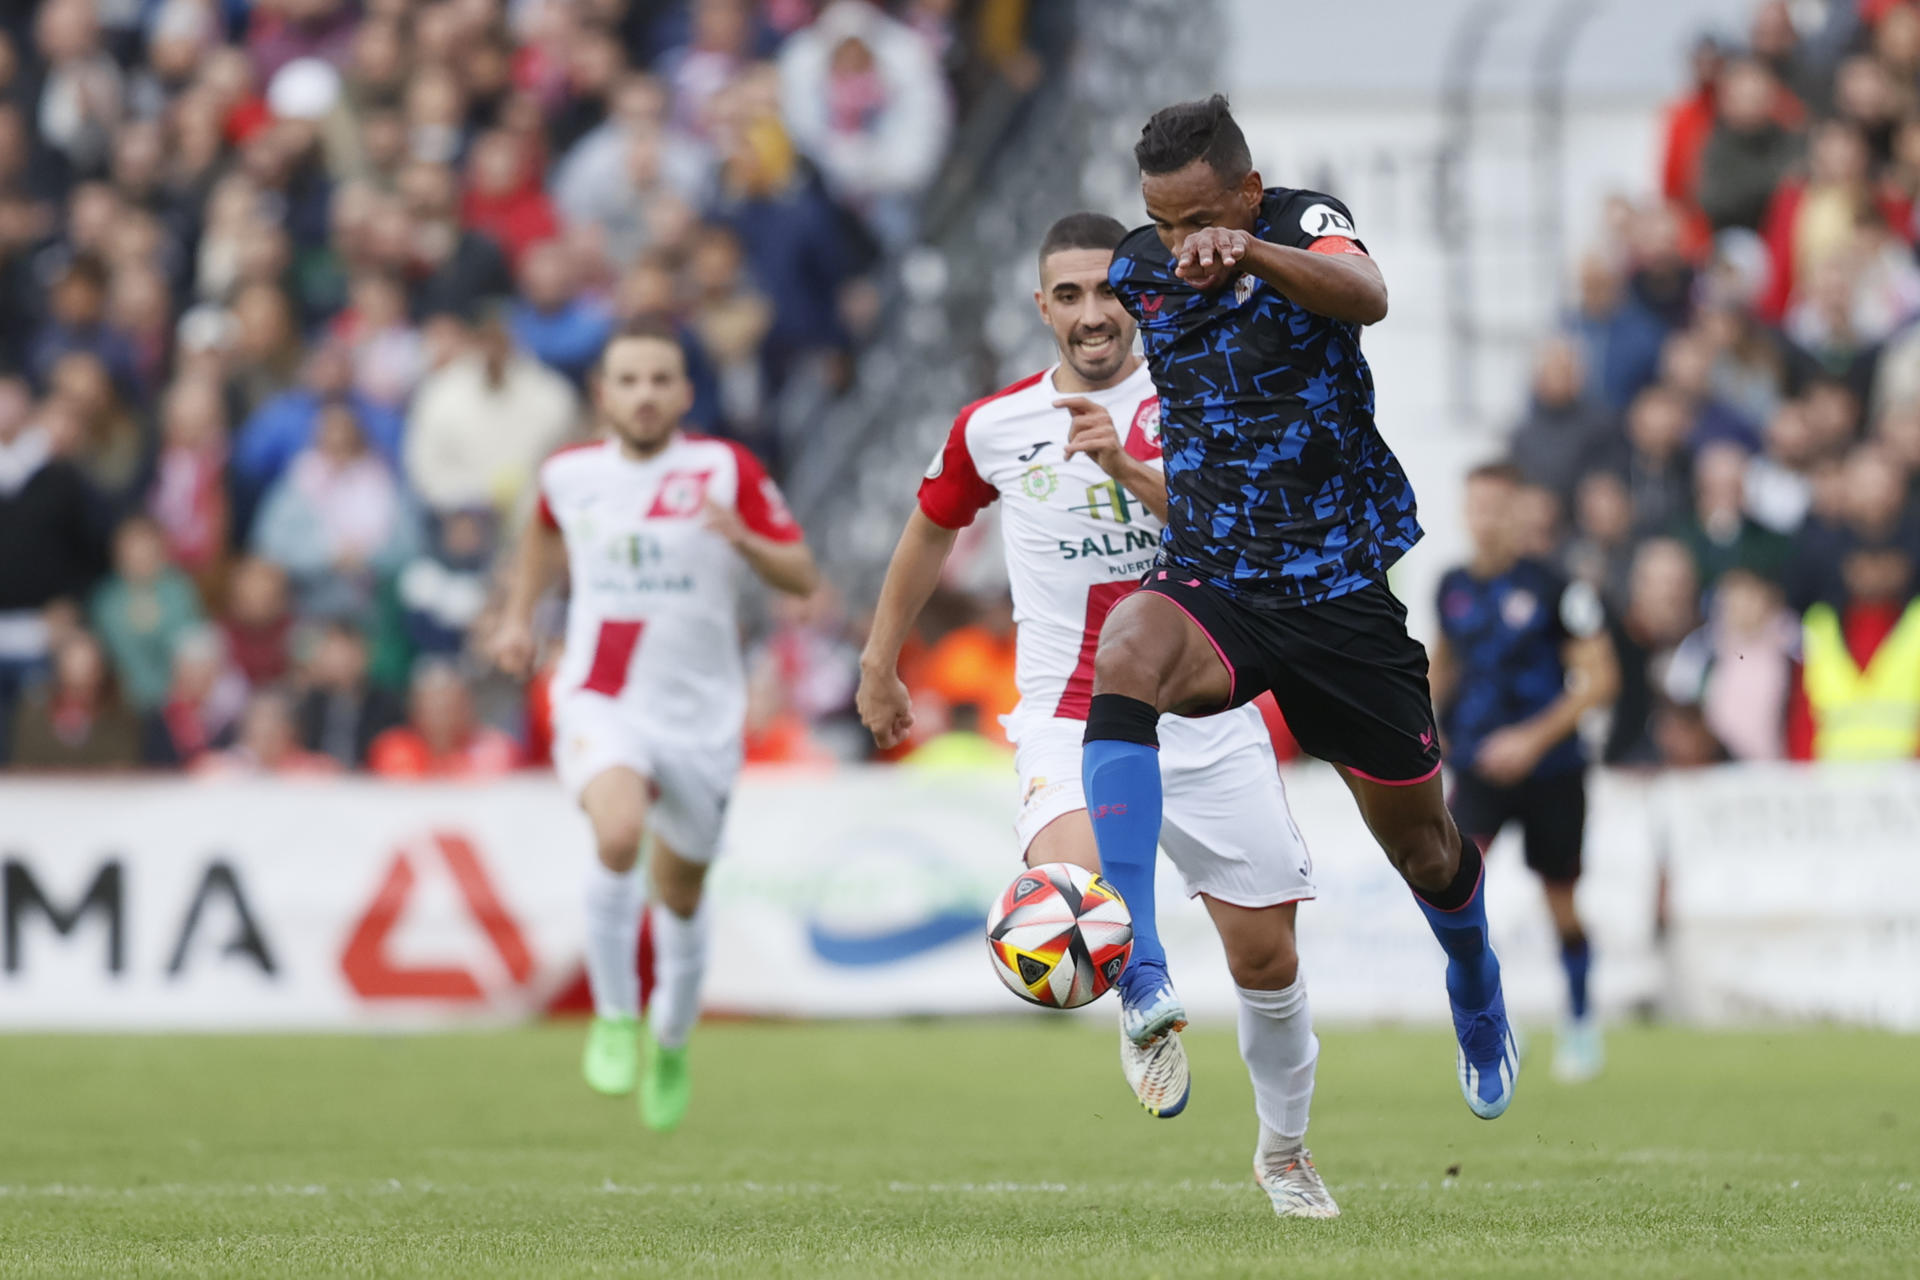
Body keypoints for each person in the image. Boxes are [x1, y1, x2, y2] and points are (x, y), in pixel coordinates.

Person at [857, 213, 1338, 1218]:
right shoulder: (994, 425)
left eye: (1108, 292)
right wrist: (879, 657)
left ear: (1142, 297)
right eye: (1067, 295)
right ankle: (1143, 987)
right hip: (1067, 714)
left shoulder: (1200, 396)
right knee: (1076, 894)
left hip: (1206, 703)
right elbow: (928, 528)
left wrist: (1121, 465)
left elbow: (1243, 527)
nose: (1089, 314)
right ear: (1042, 307)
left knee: (1268, 958)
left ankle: (1285, 1150)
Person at [1085, 95, 1519, 1121]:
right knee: (1127, 650)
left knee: (1425, 846)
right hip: (1214, 579)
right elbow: (1094, 343)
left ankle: (1475, 980)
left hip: (1336, 593)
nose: (1182, 242)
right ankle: (1137, 961)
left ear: (1245, 190)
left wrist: (1252, 254)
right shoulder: (1140, 271)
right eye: (1164, 220)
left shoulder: (1302, 223)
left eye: (1201, 218)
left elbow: (1367, 294)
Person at [490, 320, 819, 1132]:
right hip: (602, 693)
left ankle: (669, 1035)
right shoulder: (570, 475)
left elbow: (802, 573)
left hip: (703, 714)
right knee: (616, 832)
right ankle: (612, 1016)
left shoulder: (721, 469)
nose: (644, 395)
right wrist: (518, 616)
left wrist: (744, 539)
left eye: (659, 380)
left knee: (679, 891)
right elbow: (541, 532)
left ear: (685, 393)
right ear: (603, 394)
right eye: (628, 380)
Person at [1429, 464, 1620, 1084]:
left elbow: (1600, 678)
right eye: (1474, 505)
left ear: (1518, 513)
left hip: (1552, 770)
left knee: (1560, 901)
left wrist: (1531, 740)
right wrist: (1423, 727)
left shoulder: (1558, 587)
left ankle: (1582, 1023)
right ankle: (1491, 1016)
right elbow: (1444, 665)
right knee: (1451, 884)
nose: (1483, 518)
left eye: (1496, 506)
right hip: (1480, 768)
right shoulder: (1452, 586)